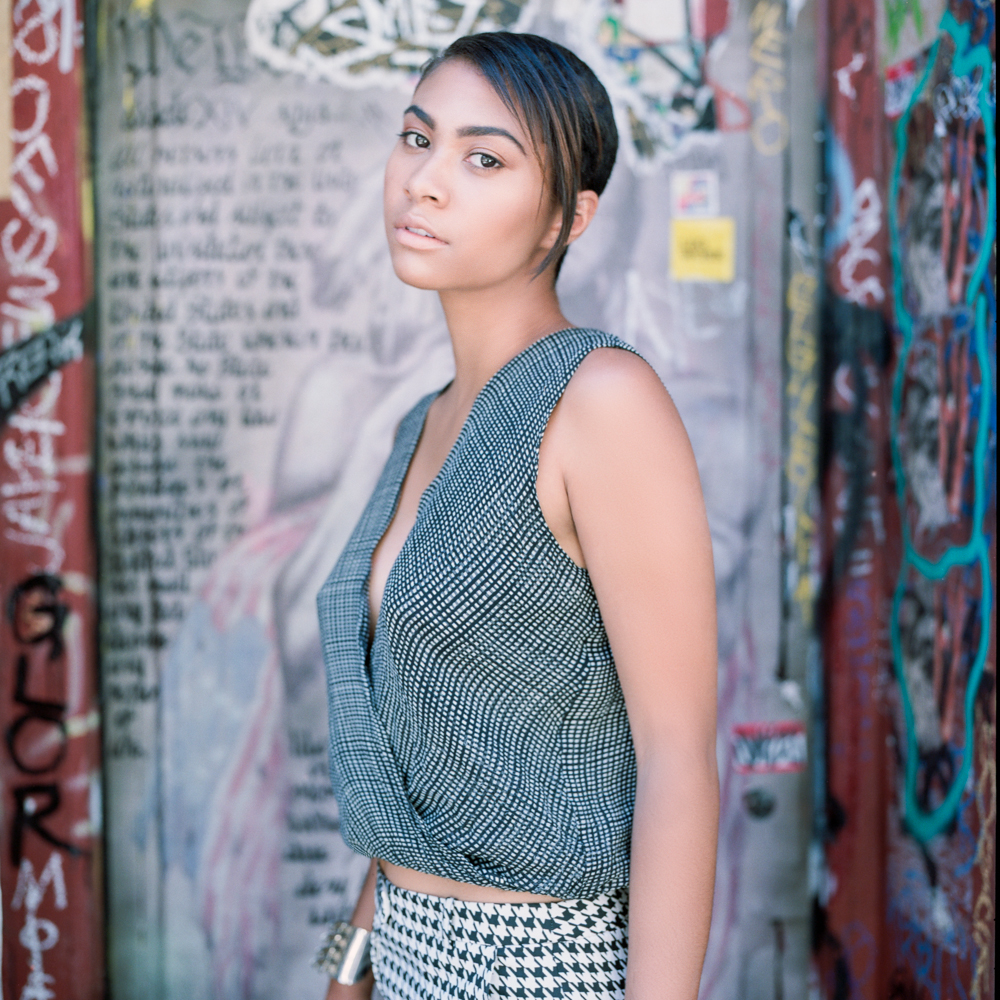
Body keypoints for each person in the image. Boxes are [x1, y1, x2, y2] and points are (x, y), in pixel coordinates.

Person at [316, 31, 719, 1000]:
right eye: (418, 139)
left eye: (484, 159)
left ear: (567, 218)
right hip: (403, 954)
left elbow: (678, 757)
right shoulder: (423, 422)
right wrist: (351, 967)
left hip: (541, 964)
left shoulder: (601, 401)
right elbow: (418, 755)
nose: (425, 182)